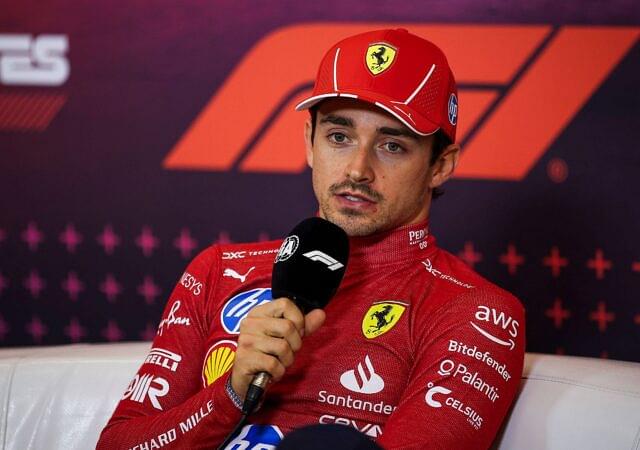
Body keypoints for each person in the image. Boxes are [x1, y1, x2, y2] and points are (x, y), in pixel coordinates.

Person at [98, 28, 525, 450]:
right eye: (339, 137)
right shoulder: (219, 271)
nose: (358, 169)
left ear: (441, 166)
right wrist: (231, 393)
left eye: (392, 146)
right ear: (309, 142)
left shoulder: (477, 313)